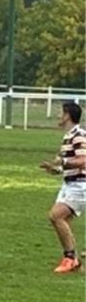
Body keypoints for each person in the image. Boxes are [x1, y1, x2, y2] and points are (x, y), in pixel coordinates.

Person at [42, 102, 84, 273]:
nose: (59, 116)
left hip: (80, 185)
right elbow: (67, 166)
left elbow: (83, 161)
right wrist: (54, 169)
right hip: (69, 184)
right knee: (62, 220)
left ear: (67, 115)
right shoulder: (68, 137)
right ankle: (73, 260)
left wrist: (63, 162)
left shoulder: (79, 135)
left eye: (61, 113)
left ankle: (70, 258)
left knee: (56, 215)